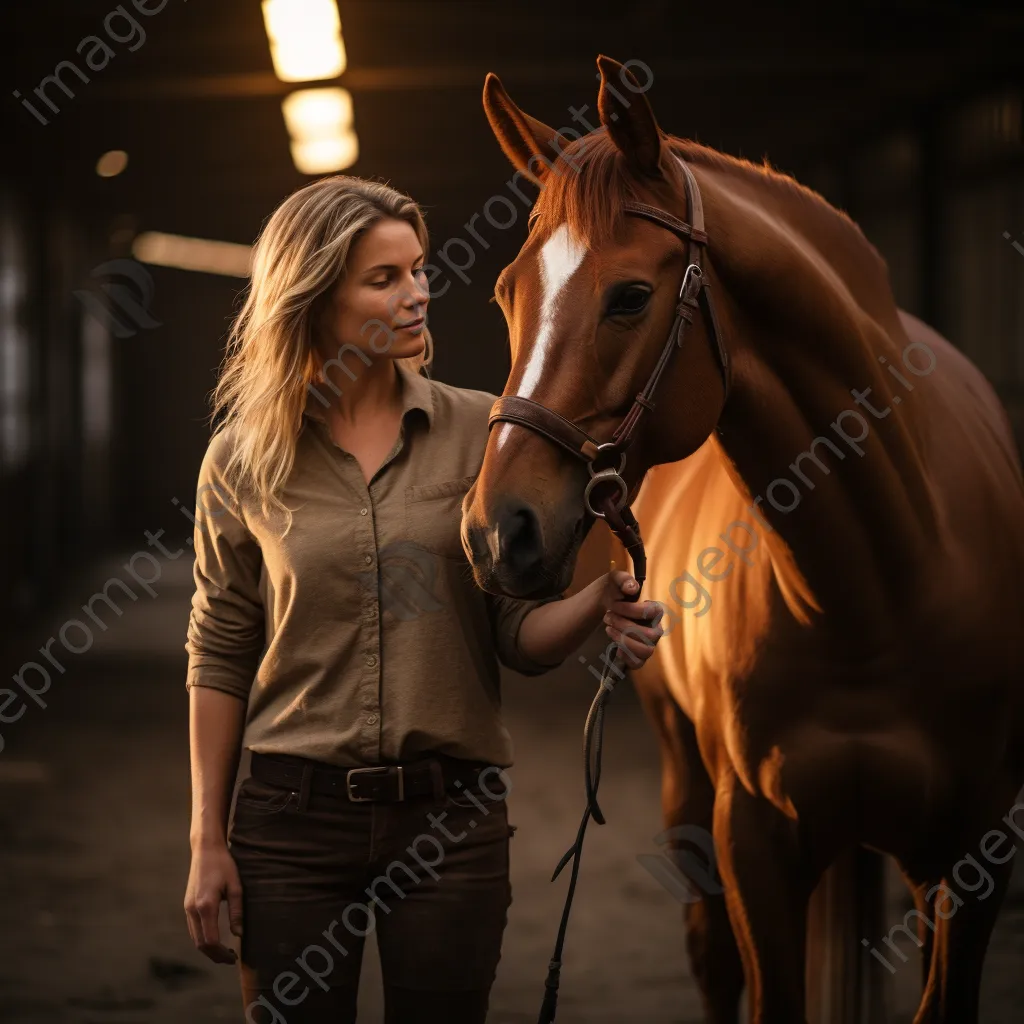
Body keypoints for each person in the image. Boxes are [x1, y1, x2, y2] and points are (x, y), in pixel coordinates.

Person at [181, 175, 666, 1024]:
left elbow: (516, 634)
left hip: (450, 825)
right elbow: (220, 649)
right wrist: (207, 840)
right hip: (291, 825)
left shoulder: (483, 432)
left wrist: (596, 604)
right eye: (385, 278)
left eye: (420, 268)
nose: (419, 293)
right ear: (315, 294)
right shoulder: (242, 461)